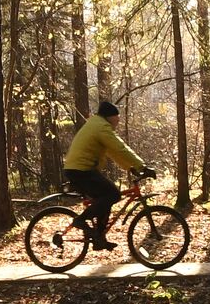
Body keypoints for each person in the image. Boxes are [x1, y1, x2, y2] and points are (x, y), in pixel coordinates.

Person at [62, 101, 152, 249]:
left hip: (79, 169)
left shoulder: (97, 125)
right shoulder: (101, 127)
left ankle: (99, 239)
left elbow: (112, 152)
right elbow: (120, 148)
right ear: (109, 117)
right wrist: (142, 166)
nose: (117, 122)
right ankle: (80, 220)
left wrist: (131, 168)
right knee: (113, 195)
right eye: (116, 118)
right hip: (81, 170)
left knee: (105, 199)